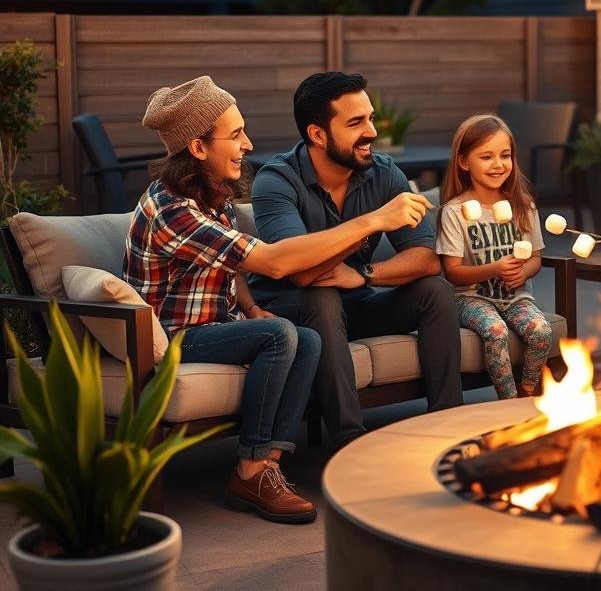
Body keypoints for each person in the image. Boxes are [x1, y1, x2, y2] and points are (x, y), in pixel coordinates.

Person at [125, 76, 429, 524]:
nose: (248, 144)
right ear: (197, 148)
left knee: (304, 339)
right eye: (235, 135)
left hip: (217, 326)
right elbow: (270, 262)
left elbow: (232, 267)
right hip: (173, 337)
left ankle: (267, 466)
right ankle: (250, 468)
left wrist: (249, 308)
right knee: (281, 334)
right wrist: (374, 221)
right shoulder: (173, 210)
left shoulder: (213, 199)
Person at [248, 72, 463, 449]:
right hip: (293, 311)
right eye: (355, 122)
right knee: (321, 296)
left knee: (435, 291)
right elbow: (299, 274)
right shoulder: (276, 181)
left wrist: (364, 274)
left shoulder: (382, 172)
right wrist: (374, 221)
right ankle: (351, 443)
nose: (371, 132)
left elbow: (427, 259)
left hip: (356, 303)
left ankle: (450, 426)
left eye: (370, 118)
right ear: (317, 134)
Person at [436, 115, 553, 399]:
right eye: (486, 156)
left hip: (516, 297)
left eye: (505, 155)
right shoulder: (454, 212)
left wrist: (524, 272)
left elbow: (535, 258)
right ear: (464, 162)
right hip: (471, 297)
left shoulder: (523, 206)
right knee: (496, 330)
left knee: (541, 331)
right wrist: (494, 268)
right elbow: (452, 271)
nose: (498, 164)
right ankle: (508, 402)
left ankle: (527, 391)